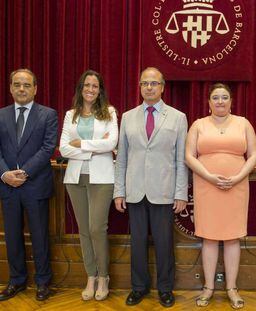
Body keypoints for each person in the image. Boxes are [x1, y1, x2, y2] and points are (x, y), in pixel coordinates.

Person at [113, 67, 188, 308]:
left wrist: (180, 192)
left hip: (164, 191)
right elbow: (122, 157)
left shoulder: (177, 117)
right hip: (135, 190)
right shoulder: (127, 117)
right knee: (137, 244)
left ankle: (165, 289)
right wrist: (119, 190)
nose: (149, 87)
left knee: (164, 244)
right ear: (139, 86)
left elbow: (180, 159)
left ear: (163, 87)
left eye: (154, 83)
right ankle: (139, 287)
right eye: (145, 83)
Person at [185, 83, 256, 309]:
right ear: (208, 102)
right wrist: (208, 176)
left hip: (236, 187)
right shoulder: (198, 125)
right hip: (207, 186)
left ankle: (232, 288)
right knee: (209, 236)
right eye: (215, 97)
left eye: (224, 97)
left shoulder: (243, 123)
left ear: (231, 101)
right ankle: (208, 287)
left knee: (232, 236)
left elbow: (254, 155)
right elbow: (189, 156)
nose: (220, 101)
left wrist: (237, 178)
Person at [59, 70, 118, 301]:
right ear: (80, 89)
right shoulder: (70, 115)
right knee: (84, 231)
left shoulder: (110, 113)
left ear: (100, 90)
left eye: (95, 86)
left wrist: (80, 144)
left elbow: (112, 143)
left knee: (97, 228)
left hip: (102, 178)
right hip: (75, 179)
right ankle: (90, 276)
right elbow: (63, 149)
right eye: (87, 85)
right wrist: (95, 146)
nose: (90, 90)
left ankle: (104, 276)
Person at [0, 69, 58, 301]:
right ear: (11, 88)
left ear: (35, 88)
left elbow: (47, 148)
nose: (21, 89)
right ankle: (17, 280)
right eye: (17, 84)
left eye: (26, 85)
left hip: (35, 184)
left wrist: (23, 172)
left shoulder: (48, 114)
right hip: (7, 186)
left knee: (40, 235)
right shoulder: (1, 115)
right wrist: (5, 174)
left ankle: (43, 282)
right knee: (12, 236)